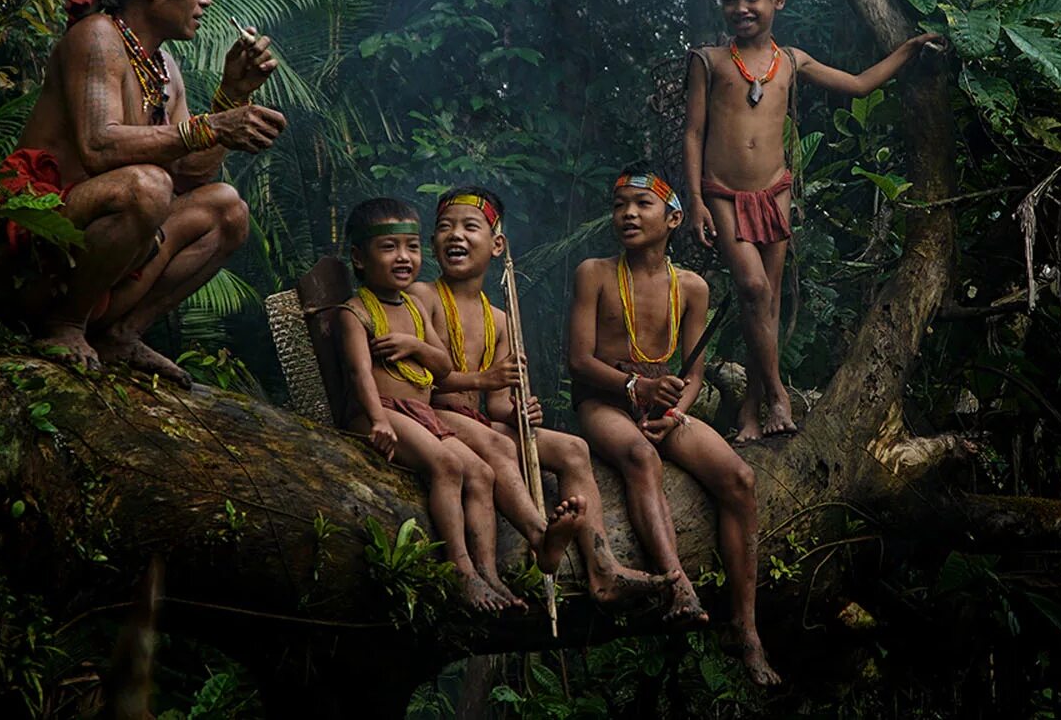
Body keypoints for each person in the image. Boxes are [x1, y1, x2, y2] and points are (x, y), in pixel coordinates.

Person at [0, 0, 289, 385]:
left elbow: (191, 174)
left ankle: (120, 334)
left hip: (91, 252)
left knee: (227, 210)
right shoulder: (98, 36)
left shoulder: (164, 68)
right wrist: (211, 125)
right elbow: (100, 146)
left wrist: (231, 97)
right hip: (26, 256)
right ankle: (64, 325)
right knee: (147, 185)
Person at [682, 0, 941, 440]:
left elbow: (861, 85)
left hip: (774, 191)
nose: (741, 8)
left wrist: (906, 49)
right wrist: (694, 200)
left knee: (770, 303)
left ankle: (754, 413)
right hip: (723, 193)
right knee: (753, 289)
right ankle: (780, 394)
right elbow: (693, 133)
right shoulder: (708, 61)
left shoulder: (791, 61)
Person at [411, 185, 674, 611]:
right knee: (496, 443)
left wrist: (518, 411)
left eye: (469, 227)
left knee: (573, 448)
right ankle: (540, 535)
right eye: (445, 228)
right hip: (435, 417)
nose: (455, 235)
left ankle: (602, 568)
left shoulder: (499, 317)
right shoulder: (423, 298)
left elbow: (496, 405)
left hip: (478, 423)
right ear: (434, 242)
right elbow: (421, 386)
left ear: (497, 246)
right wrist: (483, 380)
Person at [570, 168, 780, 686]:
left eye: (642, 204)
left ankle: (745, 629)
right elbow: (578, 361)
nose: (628, 214)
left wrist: (673, 410)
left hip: (662, 406)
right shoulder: (594, 273)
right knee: (640, 458)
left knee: (740, 481)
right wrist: (632, 391)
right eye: (620, 205)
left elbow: (693, 372)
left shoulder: (692, 287)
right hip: (605, 404)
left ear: (673, 218)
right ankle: (677, 583)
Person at [334, 197, 580, 612]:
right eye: (389, 247)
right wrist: (378, 420)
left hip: (422, 414)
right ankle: (461, 569)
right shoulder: (357, 312)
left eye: (409, 248)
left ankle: (490, 575)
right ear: (359, 258)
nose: (403, 257)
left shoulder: (414, 307)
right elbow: (361, 376)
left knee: (481, 472)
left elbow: (442, 364)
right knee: (449, 465)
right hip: (383, 412)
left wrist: (415, 344)